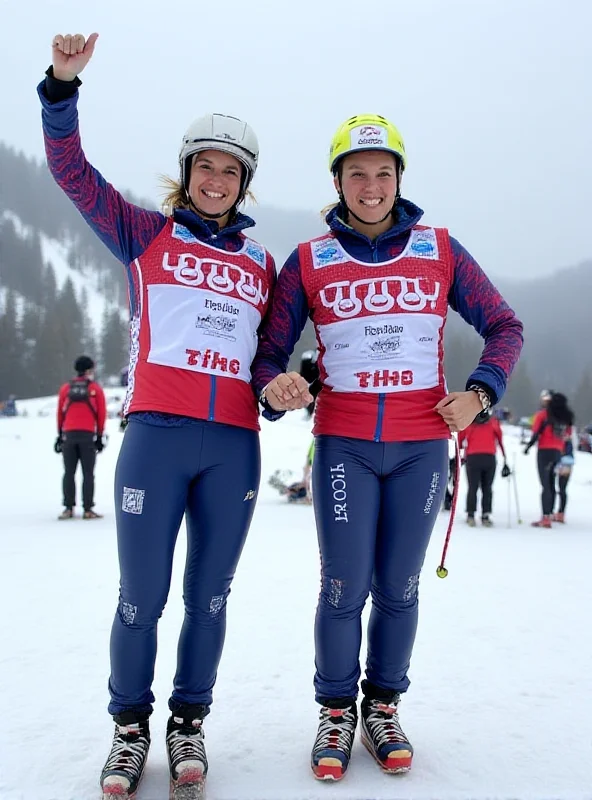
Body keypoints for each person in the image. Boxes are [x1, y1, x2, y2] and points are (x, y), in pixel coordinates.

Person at [39, 32, 276, 799]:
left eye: (230, 171)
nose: (216, 179)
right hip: (156, 441)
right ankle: (129, 728)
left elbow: (271, 358)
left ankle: (188, 724)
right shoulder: (146, 235)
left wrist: (284, 386)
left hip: (233, 447)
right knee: (140, 597)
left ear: (244, 185)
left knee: (209, 597)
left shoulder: (263, 265)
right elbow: (72, 175)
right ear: (187, 173)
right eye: (205, 166)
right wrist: (62, 88)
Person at [252, 114, 523, 780]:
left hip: (419, 447)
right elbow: (267, 351)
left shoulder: (441, 250)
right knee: (344, 586)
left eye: (382, 173)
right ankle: (337, 711)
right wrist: (277, 384)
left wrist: (480, 394)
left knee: (400, 587)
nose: (370, 187)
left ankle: (383, 704)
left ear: (400, 178)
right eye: (356, 173)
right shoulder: (310, 261)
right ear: (337, 181)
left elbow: (504, 327)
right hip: (344, 445)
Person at [55, 355, 106, 519]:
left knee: (68, 472)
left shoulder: (66, 388)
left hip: (69, 436)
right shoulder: (95, 389)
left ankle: (68, 508)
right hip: (87, 436)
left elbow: (60, 413)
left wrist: (59, 434)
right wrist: (99, 435)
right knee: (88, 473)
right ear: (89, 370)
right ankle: (88, 509)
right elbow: (101, 414)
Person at [524, 392, 575, 528]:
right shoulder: (566, 417)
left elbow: (536, 433)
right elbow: (568, 435)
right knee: (552, 483)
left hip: (544, 451)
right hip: (558, 452)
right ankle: (551, 513)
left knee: (545, 484)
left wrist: (527, 447)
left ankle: (545, 517)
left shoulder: (543, 414)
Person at [459, 409, 508, 527]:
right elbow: (500, 439)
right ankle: (485, 515)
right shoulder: (493, 422)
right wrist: (504, 456)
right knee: (487, 487)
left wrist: (460, 454)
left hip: (472, 457)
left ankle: (471, 515)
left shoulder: (469, 422)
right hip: (489, 457)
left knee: (473, 487)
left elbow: (460, 439)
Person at [553, 439, 574, 523]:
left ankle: (553, 512)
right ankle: (561, 513)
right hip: (567, 461)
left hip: (561, 460)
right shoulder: (567, 433)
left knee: (552, 487)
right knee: (562, 488)